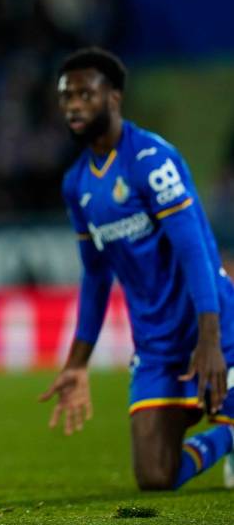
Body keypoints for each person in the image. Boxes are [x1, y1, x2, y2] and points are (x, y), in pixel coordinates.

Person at [40, 47, 234, 490]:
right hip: (156, 343)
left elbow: (195, 252)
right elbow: (95, 276)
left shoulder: (151, 159)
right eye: (66, 96)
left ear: (114, 98)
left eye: (86, 94)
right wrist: (77, 364)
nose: (73, 106)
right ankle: (227, 437)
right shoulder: (76, 183)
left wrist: (210, 340)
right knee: (155, 476)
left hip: (214, 327)